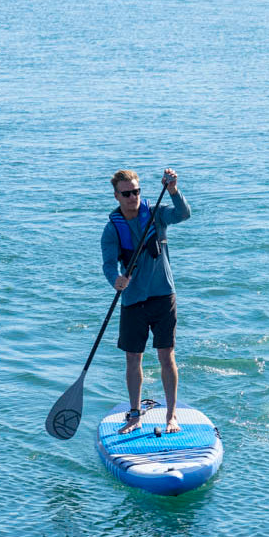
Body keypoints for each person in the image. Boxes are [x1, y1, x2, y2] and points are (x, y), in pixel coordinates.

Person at [101, 168, 191, 434]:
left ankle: (171, 416)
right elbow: (108, 264)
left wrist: (173, 190)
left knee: (166, 355)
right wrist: (115, 280)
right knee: (133, 358)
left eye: (136, 192)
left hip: (163, 295)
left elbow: (183, 214)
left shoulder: (156, 214)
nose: (133, 197)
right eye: (127, 194)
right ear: (117, 196)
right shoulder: (112, 229)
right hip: (133, 300)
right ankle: (134, 415)